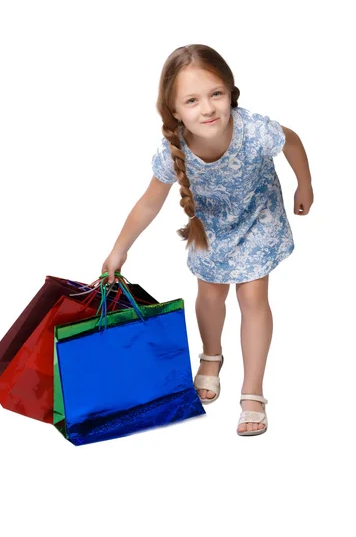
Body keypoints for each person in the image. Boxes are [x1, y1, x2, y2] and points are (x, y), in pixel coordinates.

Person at [101, 44, 313, 437]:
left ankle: (252, 390)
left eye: (216, 94)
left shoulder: (254, 130)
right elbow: (148, 204)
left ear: (231, 92)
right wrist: (119, 249)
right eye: (192, 100)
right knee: (212, 295)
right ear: (175, 111)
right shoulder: (174, 150)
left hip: (257, 218)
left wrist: (305, 183)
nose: (208, 108)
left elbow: (293, 142)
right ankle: (211, 357)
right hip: (212, 227)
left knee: (252, 298)